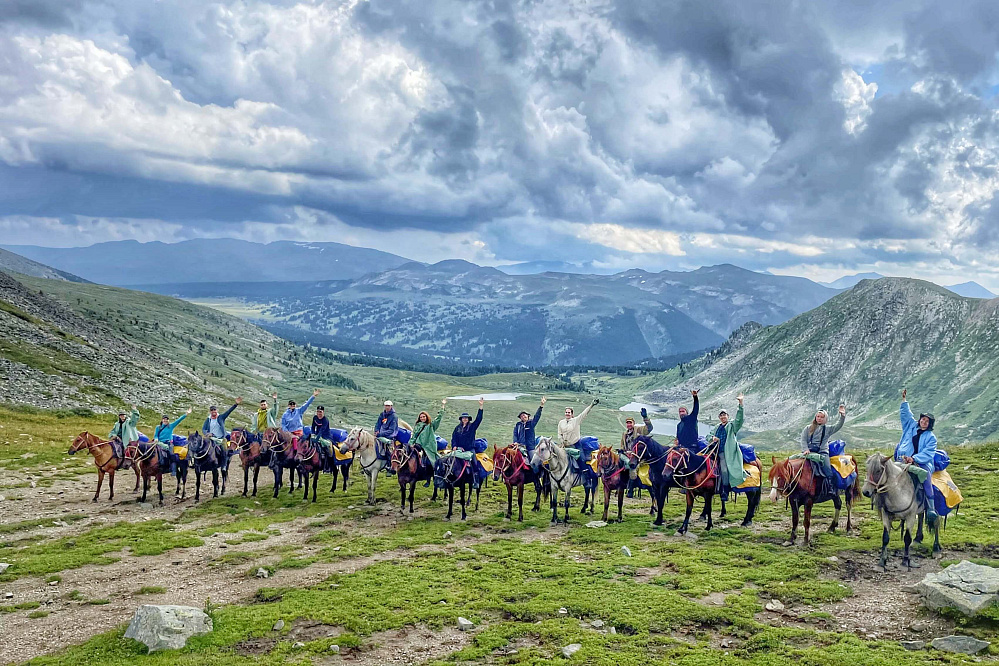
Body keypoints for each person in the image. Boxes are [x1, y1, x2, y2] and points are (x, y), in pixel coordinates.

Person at [894, 389, 938, 520]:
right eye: (923, 419)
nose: (924, 422)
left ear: (930, 424)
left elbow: (928, 453)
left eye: (927, 421)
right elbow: (906, 415)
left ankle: (931, 508)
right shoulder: (911, 425)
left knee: (926, 477)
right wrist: (904, 401)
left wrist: (914, 458)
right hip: (903, 460)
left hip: (922, 462)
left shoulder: (931, 437)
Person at [800, 403, 846, 495]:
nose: (819, 418)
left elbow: (838, 425)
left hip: (822, 453)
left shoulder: (828, 429)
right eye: (818, 416)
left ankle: (830, 487)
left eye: (822, 417)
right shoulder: (808, 428)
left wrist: (842, 416)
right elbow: (803, 440)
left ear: (825, 419)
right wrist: (805, 449)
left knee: (827, 468)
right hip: (808, 452)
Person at [712, 395, 748, 498]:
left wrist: (740, 404)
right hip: (714, 452)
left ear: (728, 416)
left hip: (725, 452)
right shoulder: (717, 427)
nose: (723, 417)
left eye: (724, 415)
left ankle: (725, 490)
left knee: (724, 469)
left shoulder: (732, 426)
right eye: (721, 415)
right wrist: (713, 438)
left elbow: (739, 419)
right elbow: (708, 436)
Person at [557, 398, 599, 471]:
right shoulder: (561, 423)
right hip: (564, 445)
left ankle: (585, 473)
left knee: (582, 459)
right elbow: (559, 434)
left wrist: (591, 405)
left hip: (575, 444)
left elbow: (584, 413)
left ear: (572, 414)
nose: (567, 414)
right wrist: (562, 441)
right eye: (566, 412)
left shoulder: (576, 420)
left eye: (569, 412)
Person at [412, 399, 447, 466]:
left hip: (429, 446)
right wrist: (411, 443)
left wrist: (442, 406)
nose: (422, 418)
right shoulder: (417, 425)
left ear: (426, 417)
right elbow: (414, 435)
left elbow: (438, 418)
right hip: (419, 445)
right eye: (421, 417)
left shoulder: (431, 425)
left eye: (424, 417)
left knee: (431, 460)